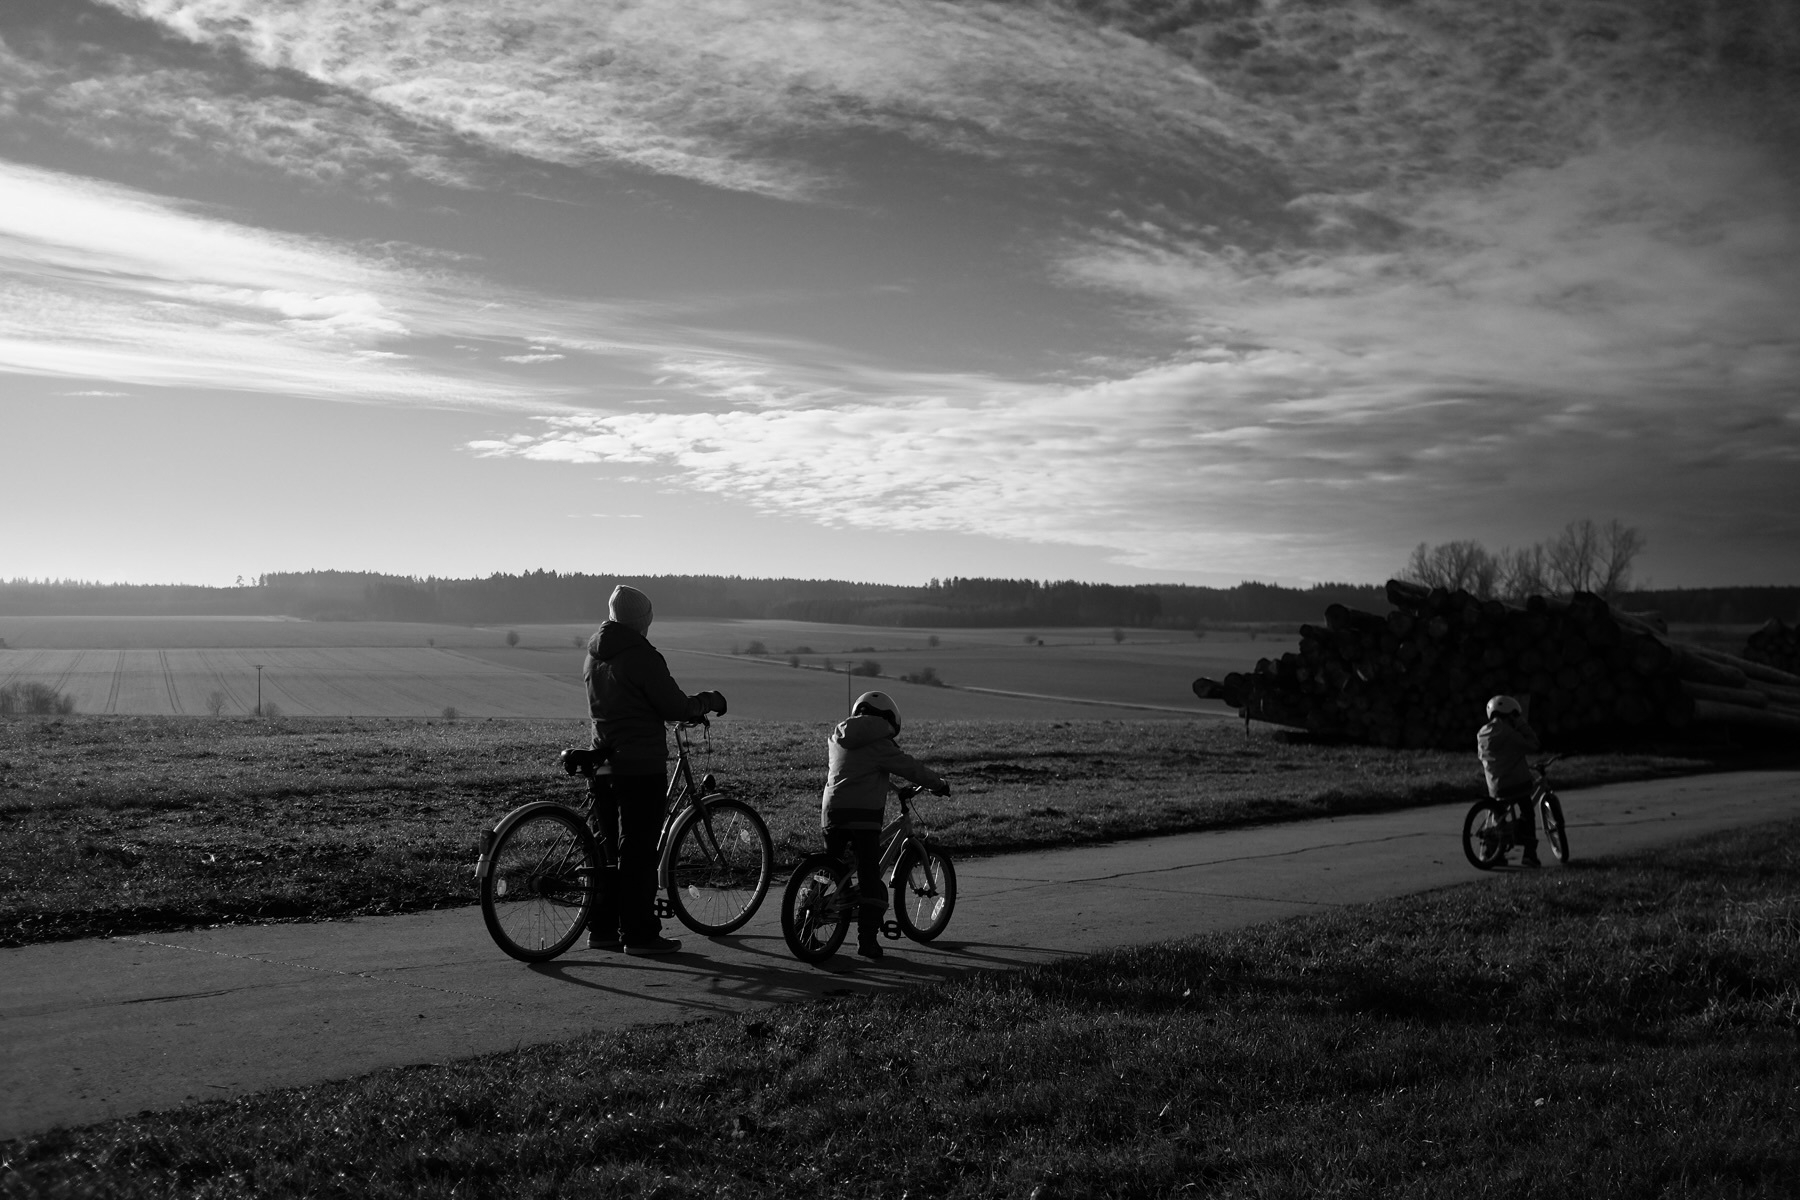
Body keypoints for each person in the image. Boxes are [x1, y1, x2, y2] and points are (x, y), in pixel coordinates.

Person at [583, 584, 727, 955]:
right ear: (643, 620)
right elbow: (674, 706)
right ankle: (640, 934)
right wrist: (705, 702)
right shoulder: (641, 656)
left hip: (603, 761)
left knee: (609, 850)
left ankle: (603, 929)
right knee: (639, 850)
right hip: (639, 764)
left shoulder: (595, 654)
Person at [820, 690, 950, 960]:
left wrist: (891, 785)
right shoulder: (881, 741)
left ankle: (805, 917)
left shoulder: (838, 736)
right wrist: (937, 784)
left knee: (828, 869)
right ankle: (867, 941)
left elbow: (857, 771)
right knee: (871, 880)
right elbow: (909, 767)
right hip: (863, 816)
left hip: (832, 812)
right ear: (888, 718)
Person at [1477, 694, 1541, 868]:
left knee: (1498, 816)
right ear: (1510, 714)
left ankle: (1489, 852)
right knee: (1527, 813)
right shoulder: (1509, 733)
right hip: (1516, 785)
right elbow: (1533, 744)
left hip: (1496, 787)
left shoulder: (1482, 733)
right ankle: (1528, 855)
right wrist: (1521, 724)